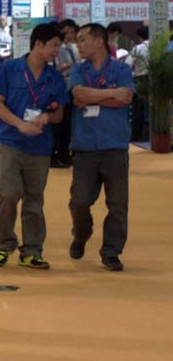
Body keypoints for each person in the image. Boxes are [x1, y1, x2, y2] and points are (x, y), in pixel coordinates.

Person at [0, 23, 69, 270]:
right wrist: (19, 124)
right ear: (38, 44)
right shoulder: (9, 69)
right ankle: (5, 243)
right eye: (54, 45)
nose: (57, 50)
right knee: (8, 192)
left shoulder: (55, 78)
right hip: (9, 141)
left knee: (34, 200)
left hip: (40, 146)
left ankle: (32, 251)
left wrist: (47, 117)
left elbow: (60, 114)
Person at [68, 23, 134, 272]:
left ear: (98, 41)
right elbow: (78, 96)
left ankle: (111, 251)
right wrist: (110, 93)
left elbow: (125, 98)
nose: (78, 44)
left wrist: (93, 96)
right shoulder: (78, 69)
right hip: (84, 146)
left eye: (82, 39)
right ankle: (81, 234)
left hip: (115, 145)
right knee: (80, 201)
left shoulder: (121, 69)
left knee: (117, 203)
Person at [51, 19, 80, 167]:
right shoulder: (60, 50)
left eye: (72, 32)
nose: (69, 35)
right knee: (60, 125)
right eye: (66, 32)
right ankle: (59, 154)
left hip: (69, 89)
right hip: (59, 90)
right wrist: (68, 69)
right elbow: (56, 70)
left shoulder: (71, 49)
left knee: (67, 125)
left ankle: (64, 153)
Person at [129, 26, 150, 142]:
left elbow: (128, 64)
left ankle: (138, 134)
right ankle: (151, 133)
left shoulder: (137, 48)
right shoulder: (157, 46)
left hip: (140, 80)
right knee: (153, 107)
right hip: (156, 80)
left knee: (138, 108)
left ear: (139, 37)